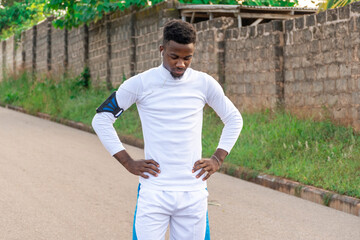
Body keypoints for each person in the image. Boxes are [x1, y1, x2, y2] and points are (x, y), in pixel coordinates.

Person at [92, 19, 243, 240]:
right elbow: (101, 119)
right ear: (162, 50)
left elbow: (234, 118)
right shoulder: (140, 84)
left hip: (193, 192)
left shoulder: (204, 83)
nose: (180, 64)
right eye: (174, 56)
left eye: (187, 57)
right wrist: (127, 161)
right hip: (154, 191)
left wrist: (217, 159)